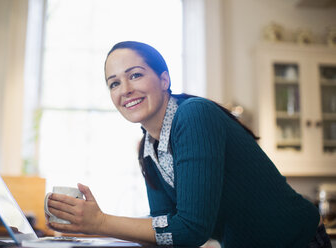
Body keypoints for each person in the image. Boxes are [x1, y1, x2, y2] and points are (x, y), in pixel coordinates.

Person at [45, 41, 332, 247]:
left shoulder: (194, 115)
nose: (126, 89)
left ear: (164, 79)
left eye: (135, 75)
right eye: (114, 83)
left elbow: (191, 231)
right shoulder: (148, 149)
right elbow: (164, 226)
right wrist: (89, 227)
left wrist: (101, 223)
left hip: (299, 241)